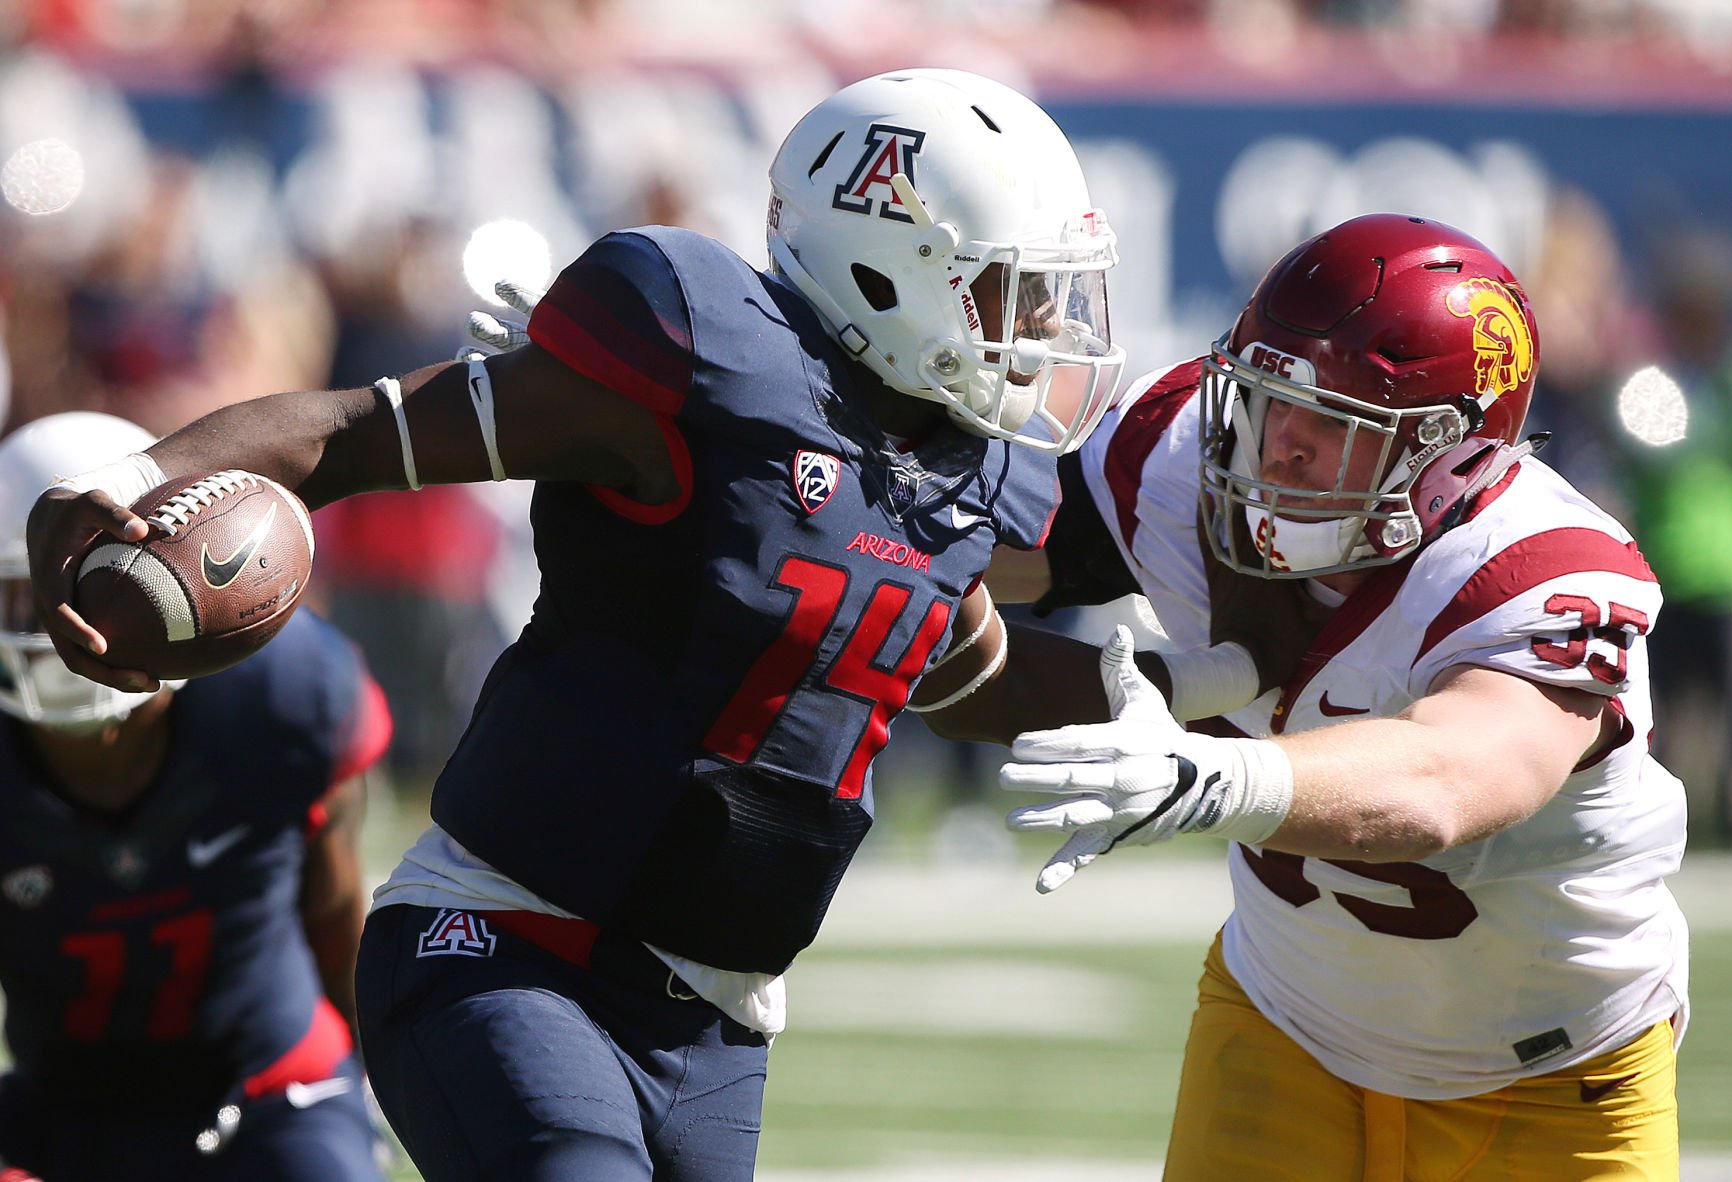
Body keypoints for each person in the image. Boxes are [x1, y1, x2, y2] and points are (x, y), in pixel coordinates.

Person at [24, 68, 1126, 1181]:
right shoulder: (707, 361)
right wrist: (133, 476)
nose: (1037, 327)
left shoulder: (960, 478)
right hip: (506, 946)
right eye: (1008, 289)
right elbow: (357, 435)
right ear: (886, 268)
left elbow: (974, 677)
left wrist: (1216, 724)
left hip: (715, 1025)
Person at [916, 214, 1688, 1180]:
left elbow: (1448, 777)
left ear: (1441, 455)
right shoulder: (1185, 459)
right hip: (1285, 1025)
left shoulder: (1535, 570)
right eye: (1267, 398)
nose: (1276, 446)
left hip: (1551, 1073)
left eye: (1330, 424)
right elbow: (954, 562)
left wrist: (1213, 776)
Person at [0, 412, 392, 1181]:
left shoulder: (285, 694)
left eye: (89, 589)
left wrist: (363, 1073)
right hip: (58, 1114)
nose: (53, 624)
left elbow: (335, 906)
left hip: (269, 1090)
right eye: (22, 592)